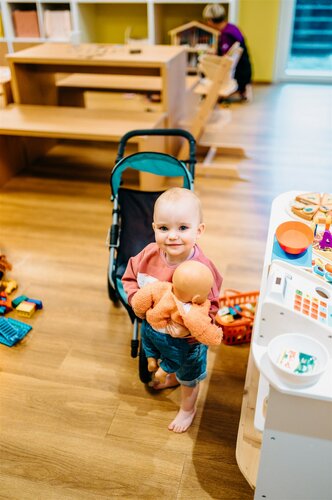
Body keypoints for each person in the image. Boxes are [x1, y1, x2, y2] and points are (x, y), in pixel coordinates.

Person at [122, 187, 223, 433]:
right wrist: (137, 299)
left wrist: (195, 325)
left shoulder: (201, 269)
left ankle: (188, 408)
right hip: (154, 329)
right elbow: (130, 278)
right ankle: (171, 376)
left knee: (189, 376)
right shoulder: (147, 255)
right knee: (164, 359)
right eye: (164, 228)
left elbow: (212, 305)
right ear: (154, 227)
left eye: (183, 228)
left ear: (199, 231)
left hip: (187, 341)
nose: (172, 237)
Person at [131, 260, 223, 384]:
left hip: (150, 327)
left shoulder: (162, 287)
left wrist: (140, 313)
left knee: (147, 343)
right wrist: (215, 336)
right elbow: (202, 328)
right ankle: (162, 371)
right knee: (176, 357)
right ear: (196, 298)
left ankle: (151, 360)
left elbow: (141, 299)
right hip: (170, 339)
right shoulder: (193, 309)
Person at [202, 3, 252, 101]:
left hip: (238, 74)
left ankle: (215, 92)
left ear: (211, 21)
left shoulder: (226, 34)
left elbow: (226, 58)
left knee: (204, 63)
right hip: (244, 71)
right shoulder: (231, 27)